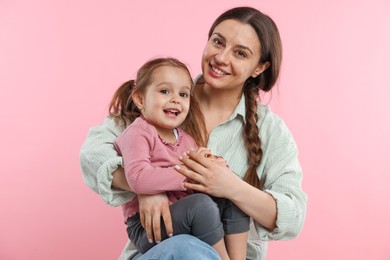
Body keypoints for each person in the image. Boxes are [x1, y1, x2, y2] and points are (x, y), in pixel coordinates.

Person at [80, 6, 307, 260]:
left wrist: (231, 187)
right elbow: (92, 154)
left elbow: (293, 215)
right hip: (162, 251)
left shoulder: (270, 131)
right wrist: (147, 186)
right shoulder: (165, 96)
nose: (221, 57)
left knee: (226, 206)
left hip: (229, 251)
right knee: (186, 247)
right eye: (217, 42)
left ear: (259, 68)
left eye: (240, 53)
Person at [112, 57, 248, 259]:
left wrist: (213, 166)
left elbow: (200, 179)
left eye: (183, 94)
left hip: (181, 216)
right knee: (200, 206)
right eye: (165, 91)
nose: (175, 99)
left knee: (233, 196)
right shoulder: (138, 133)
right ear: (140, 99)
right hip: (148, 225)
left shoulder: (186, 139)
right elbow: (138, 177)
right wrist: (190, 176)